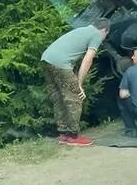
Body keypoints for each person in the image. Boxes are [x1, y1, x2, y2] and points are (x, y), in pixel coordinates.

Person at [41, 18, 110, 146]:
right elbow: (87, 60)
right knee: (74, 97)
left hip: (46, 59)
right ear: (104, 30)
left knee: (59, 98)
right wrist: (79, 84)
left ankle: (64, 134)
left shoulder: (82, 30)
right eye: (106, 35)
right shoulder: (96, 34)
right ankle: (73, 136)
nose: (104, 38)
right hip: (60, 63)